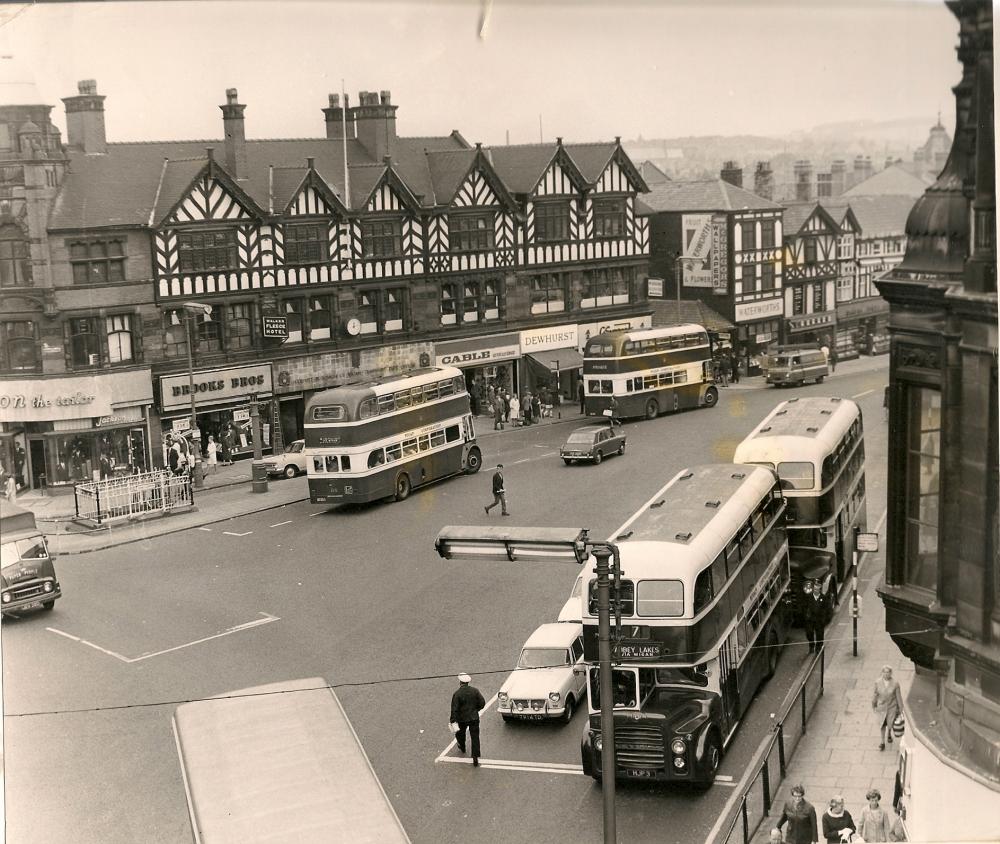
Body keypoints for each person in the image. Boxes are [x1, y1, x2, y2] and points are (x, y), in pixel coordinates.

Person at [450, 673, 486, 766]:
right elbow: (482, 703)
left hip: (462, 719)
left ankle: (462, 746)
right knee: (475, 737)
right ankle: (475, 757)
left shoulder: (457, 694)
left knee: (460, 734)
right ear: (468, 682)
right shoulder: (475, 691)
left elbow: (454, 709)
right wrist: (476, 710)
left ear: (460, 682)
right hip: (474, 717)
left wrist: (453, 720)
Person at [872, 665, 904, 750]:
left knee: (889, 724)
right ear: (882, 673)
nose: (886, 674)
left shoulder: (895, 684)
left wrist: (901, 709)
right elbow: (875, 694)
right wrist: (873, 704)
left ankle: (889, 734)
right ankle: (882, 742)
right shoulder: (877, 682)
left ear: (891, 673)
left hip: (891, 708)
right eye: (885, 672)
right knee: (882, 725)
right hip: (881, 708)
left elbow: (898, 697)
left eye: (888, 672)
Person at [803, 579, 833, 653]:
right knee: (809, 633)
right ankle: (811, 645)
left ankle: (818, 648)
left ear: (820, 589)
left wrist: (825, 620)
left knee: (819, 635)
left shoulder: (824, 598)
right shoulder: (808, 597)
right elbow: (804, 607)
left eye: (818, 589)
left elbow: (828, 609)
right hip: (810, 620)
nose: (816, 590)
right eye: (815, 589)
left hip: (819, 620)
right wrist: (806, 616)